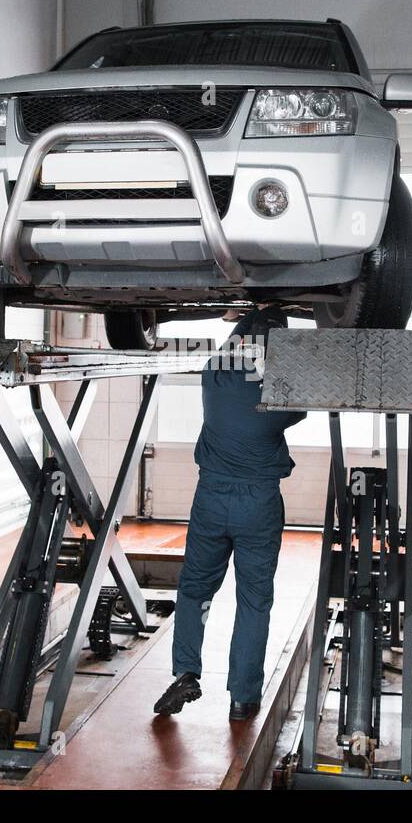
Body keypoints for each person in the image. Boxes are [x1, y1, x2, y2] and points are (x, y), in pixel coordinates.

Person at [153, 306, 305, 722]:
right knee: (253, 600)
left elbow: (233, 347)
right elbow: (303, 401)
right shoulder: (279, 393)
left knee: (195, 590)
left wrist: (248, 315)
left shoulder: (213, 375)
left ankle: (186, 671)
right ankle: (242, 698)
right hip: (258, 503)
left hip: (210, 497)